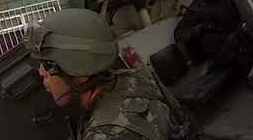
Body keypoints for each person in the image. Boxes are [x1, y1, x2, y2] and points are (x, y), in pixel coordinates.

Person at [24, 8, 173, 140]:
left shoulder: (105, 134)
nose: (41, 74)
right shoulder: (134, 78)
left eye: (49, 65)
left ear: (81, 73)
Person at [174, 0, 241, 71]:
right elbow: (179, 33)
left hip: (233, 42)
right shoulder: (197, 7)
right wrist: (198, 29)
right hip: (214, 53)